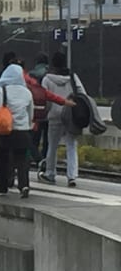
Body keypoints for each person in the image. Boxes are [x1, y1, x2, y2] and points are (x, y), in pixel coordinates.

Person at [40, 52, 86, 187]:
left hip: (54, 116)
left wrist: (46, 113)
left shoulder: (47, 79)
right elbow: (82, 94)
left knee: (52, 146)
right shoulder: (72, 77)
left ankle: (50, 173)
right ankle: (72, 177)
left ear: (53, 64)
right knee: (71, 145)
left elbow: (45, 98)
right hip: (70, 116)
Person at [0, 64, 33, 198]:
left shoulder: (3, 90)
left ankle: (2, 186)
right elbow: (30, 112)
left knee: (3, 158)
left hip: (5, 131)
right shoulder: (27, 92)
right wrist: (28, 124)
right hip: (22, 131)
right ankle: (24, 185)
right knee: (22, 160)